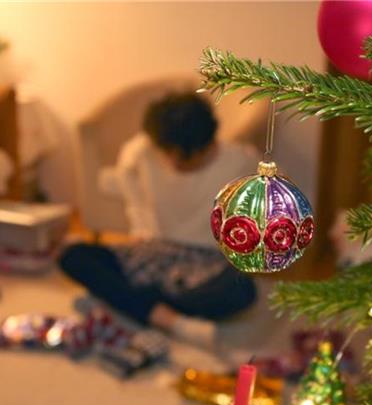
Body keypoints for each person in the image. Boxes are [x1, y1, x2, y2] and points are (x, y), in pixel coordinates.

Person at [60, 92, 258, 347]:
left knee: (242, 290)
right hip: (152, 253)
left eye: (187, 156)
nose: (175, 162)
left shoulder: (241, 161)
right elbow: (130, 188)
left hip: (205, 262)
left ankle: (128, 302)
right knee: (72, 255)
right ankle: (171, 321)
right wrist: (141, 231)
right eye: (169, 153)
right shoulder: (141, 150)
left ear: (208, 143)